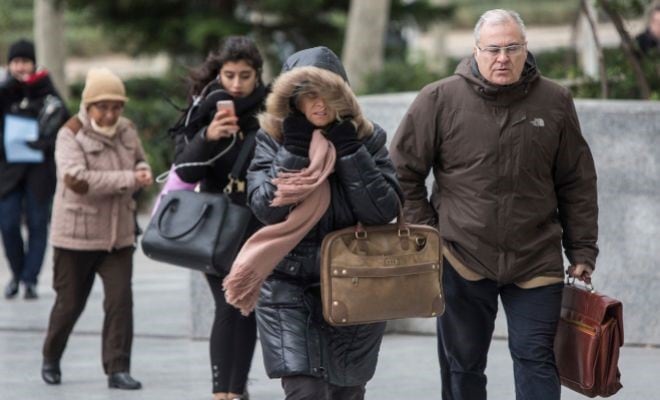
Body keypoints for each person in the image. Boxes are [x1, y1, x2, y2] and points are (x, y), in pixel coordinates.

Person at [390, 9, 598, 400]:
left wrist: (582, 248)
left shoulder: (555, 101)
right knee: (463, 365)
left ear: (525, 50)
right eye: (493, 49)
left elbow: (577, 180)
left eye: (512, 48)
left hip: (536, 258)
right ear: (475, 51)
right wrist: (430, 233)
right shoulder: (438, 98)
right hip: (460, 257)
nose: (502, 58)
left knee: (537, 358)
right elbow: (402, 172)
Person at [222, 46, 402, 400]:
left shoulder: (368, 138)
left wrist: (349, 151)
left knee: (346, 391)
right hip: (290, 287)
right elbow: (265, 207)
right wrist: (295, 148)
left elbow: (382, 211)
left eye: (329, 94)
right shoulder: (272, 140)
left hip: (356, 285)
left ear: (344, 95)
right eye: (309, 96)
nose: (320, 104)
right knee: (306, 390)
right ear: (292, 100)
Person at [41, 67, 152, 390]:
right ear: (88, 106)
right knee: (69, 304)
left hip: (118, 236)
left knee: (120, 302)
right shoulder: (69, 134)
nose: (110, 113)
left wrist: (143, 170)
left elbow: (140, 160)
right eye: (102, 106)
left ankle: (118, 368)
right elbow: (76, 180)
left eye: (116, 106)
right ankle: (51, 356)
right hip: (76, 236)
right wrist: (130, 179)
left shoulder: (128, 130)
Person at [171, 36, 268, 400]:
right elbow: (184, 171)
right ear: (219, 73)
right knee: (227, 304)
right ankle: (221, 392)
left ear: (258, 75)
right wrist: (209, 136)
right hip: (215, 226)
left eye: (245, 75)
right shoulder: (203, 108)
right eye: (230, 75)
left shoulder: (273, 108)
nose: (237, 84)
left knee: (246, 307)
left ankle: (236, 388)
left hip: (259, 225)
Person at [0, 39, 69, 300]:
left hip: (40, 170)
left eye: (25, 61)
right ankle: (17, 274)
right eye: (16, 62)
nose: (21, 67)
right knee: (7, 223)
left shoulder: (46, 89)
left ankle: (30, 279)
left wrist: (42, 143)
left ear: (33, 62)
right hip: (8, 170)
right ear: (10, 64)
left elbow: (66, 127)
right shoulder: (4, 91)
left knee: (38, 223)